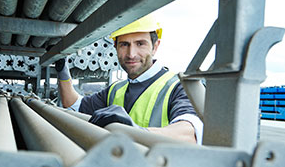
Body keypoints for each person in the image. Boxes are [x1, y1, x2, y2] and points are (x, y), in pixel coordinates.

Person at [55, 13, 203, 144]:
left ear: (155, 46)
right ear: (115, 47)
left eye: (140, 44)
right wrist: (62, 69)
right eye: (124, 45)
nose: (131, 54)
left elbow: (189, 134)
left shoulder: (177, 87)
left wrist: (136, 131)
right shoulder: (115, 90)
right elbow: (74, 105)